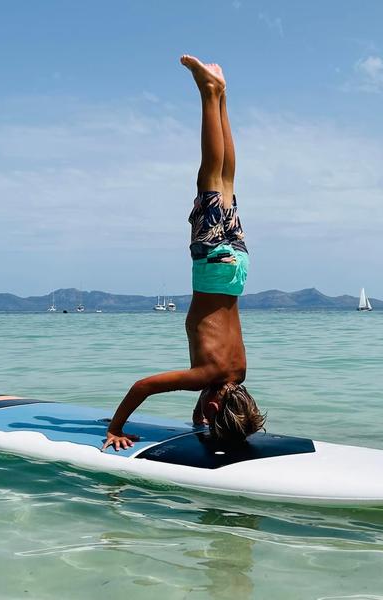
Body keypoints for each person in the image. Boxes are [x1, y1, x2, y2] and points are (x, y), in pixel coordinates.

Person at [102, 55, 266, 452]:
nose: (202, 418)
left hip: (237, 269)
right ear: (213, 404)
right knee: (210, 176)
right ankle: (209, 92)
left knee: (226, 180)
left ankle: (222, 94)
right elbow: (142, 386)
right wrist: (115, 428)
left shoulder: (237, 373)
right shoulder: (204, 375)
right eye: (209, 417)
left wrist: (202, 416)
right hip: (211, 266)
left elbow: (210, 401)